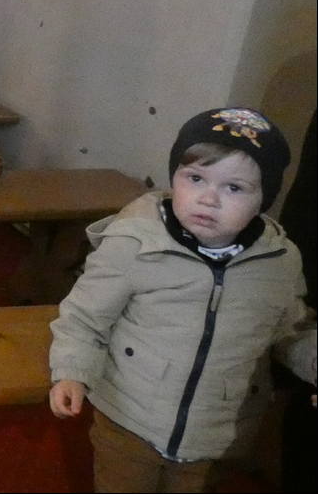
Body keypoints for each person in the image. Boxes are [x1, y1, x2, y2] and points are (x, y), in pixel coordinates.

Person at [48, 107, 315, 493]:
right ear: (174, 177)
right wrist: (71, 371)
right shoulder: (135, 243)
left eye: (234, 188)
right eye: (195, 178)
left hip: (217, 429)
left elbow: (289, 328)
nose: (208, 199)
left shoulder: (279, 261)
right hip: (129, 419)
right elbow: (84, 318)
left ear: (264, 198)